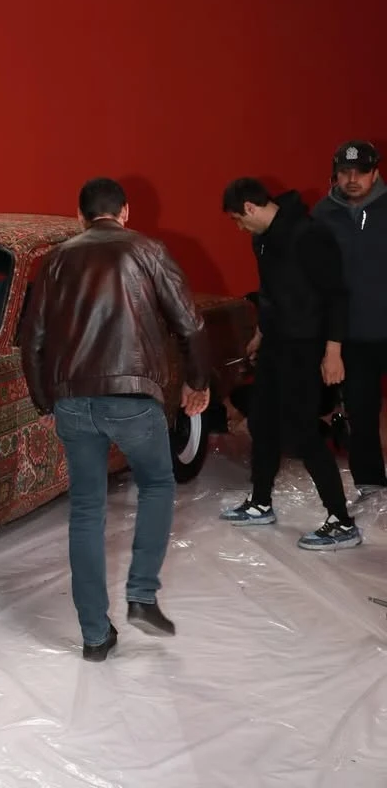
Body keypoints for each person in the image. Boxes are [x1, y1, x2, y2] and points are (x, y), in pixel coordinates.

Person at [21, 177, 209, 662]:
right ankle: (142, 594)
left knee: (86, 511)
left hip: (73, 400)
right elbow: (190, 324)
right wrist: (197, 382)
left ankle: (93, 635)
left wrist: (46, 400)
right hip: (132, 396)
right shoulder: (148, 250)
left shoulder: (56, 260)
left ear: (78, 215)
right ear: (125, 211)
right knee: (158, 485)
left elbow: (33, 338)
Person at [219, 178, 360, 549]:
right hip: (276, 344)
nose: (239, 228)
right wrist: (260, 334)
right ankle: (260, 503)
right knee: (263, 421)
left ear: (250, 208)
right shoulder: (262, 239)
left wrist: (333, 352)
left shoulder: (310, 235)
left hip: (307, 346)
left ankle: (342, 521)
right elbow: (270, 294)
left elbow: (337, 297)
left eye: (238, 220)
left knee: (302, 431)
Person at [312, 141, 387, 498]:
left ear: (376, 172)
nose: (352, 179)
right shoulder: (322, 215)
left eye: (361, 172)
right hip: (351, 334)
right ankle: (371, 485)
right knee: (361, 410)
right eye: (345, 172)